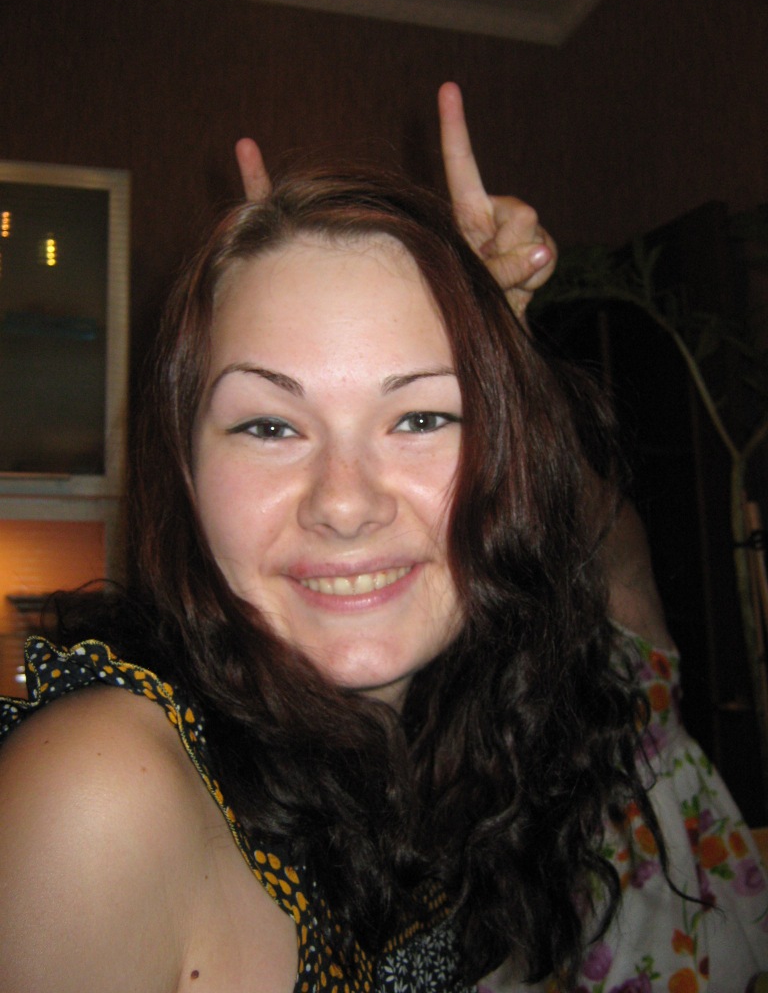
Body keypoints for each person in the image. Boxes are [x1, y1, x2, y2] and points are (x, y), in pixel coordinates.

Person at [0, 84, 763, 993]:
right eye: (269, 426)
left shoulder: (459, 750)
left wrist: (496, 361)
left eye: (422, 418)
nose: (346, 503)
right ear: (186, 475)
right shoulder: (97, 799)